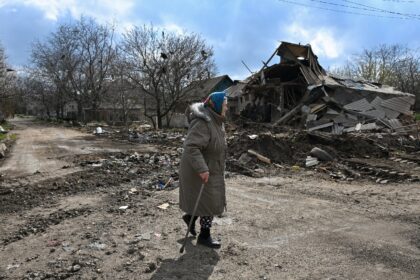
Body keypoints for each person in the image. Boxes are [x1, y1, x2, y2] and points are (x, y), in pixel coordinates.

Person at [179, 91, 228, 249]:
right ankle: (204, 236)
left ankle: (190, 218)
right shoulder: (203, 122)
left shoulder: (216, 121)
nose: (227, 108)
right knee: (210, 202)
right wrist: (202, 169)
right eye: (225, 105)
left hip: (212, 166)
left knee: (206, 200)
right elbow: (191, 146)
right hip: (201, 169)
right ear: (217, 104)